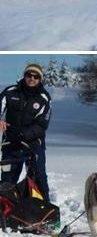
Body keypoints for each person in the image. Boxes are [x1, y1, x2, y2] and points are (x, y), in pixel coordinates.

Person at [0, 64, 53, 201]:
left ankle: (45, 214)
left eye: (36, 76)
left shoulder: (44, 98)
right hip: (11, 143)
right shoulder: (10, 92)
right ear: (24, 76)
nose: (32, 78)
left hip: (34, 144)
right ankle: (5, 213)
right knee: (7, 180)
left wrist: (24, 134)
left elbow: (42, 124)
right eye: (29, 75)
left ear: (40, 79)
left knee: (38, 177)